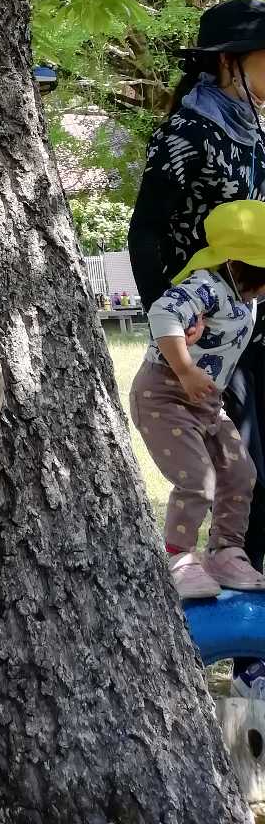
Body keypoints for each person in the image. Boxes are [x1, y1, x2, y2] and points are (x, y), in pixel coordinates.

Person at [127, 0, 265, 686]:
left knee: (249, 471)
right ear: (229, 62)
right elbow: (146, 231)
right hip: (197, 333)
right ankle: (243, 654)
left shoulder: (253, 131)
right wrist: (171, 326)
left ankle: (240, 584)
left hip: (248, 324)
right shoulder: (188, 130)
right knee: (214, 470)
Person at [130, 201, 265, 599]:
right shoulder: (205, 285)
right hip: (164, 396)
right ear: (246, 265)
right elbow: (162, 314)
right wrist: (186, 368)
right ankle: (181, 559)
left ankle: (226, 551)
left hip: (207, 402)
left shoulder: (246, 295)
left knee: (242, 473)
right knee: (197, 480)